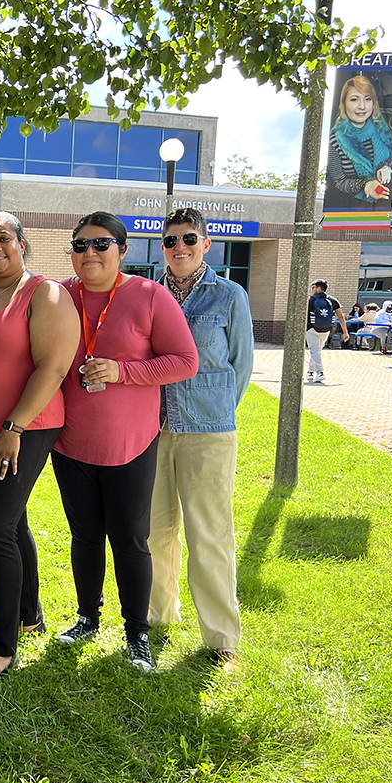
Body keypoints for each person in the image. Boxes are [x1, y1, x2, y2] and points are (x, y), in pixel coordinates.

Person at [52, 211, 198, 672]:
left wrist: (123, 371)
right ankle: (87, 618)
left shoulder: (149, 296)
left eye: (100, 245)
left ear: (123, 250)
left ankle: (136, 633)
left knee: (131, 539)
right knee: (84, 535)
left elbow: (185, 361)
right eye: (80, 246)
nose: (89, 253)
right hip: (69, 444)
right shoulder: (57, 296)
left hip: (130, 444)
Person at [0, 212, 78, 677]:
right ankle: (29, 615)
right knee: (13, 519)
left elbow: (53, 367)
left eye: (5, 238)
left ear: (23, 244)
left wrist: (14, 428)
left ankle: (2, 647)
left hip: (21, 430)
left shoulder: (45, 293)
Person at [147, 208, 254, 669]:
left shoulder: (230, 296)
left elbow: (240, 366)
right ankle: (157, 617)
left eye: (189, 238)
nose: (180, 247)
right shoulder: (147, 293)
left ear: (206, 243)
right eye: (170, 241)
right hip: (152, 430)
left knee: (209, 534)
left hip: (209, 431)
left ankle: (220, 635)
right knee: (154, 532)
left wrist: (216, 412)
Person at [326, 74, 392, 209]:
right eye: (354, 99)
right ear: (344, 103)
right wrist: (366, 184)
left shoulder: (383, 130)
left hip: (383, 205)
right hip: (349, 208)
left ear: (373, 103)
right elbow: (340, 182)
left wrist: (384, 166)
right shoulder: (335, 140)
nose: (362, 106)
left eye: (367, 99)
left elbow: (390, 157)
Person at [305, 280, 348, 383]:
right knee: (316, 351)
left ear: (318, 288)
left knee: (314, 350)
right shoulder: (333, 300)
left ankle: (320, 372)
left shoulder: (310, 300)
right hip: (326, 329)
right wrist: (345, 332)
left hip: (312, 328)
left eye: (313, 287)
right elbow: (341, 317)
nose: (312, 290)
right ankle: (310, 372)